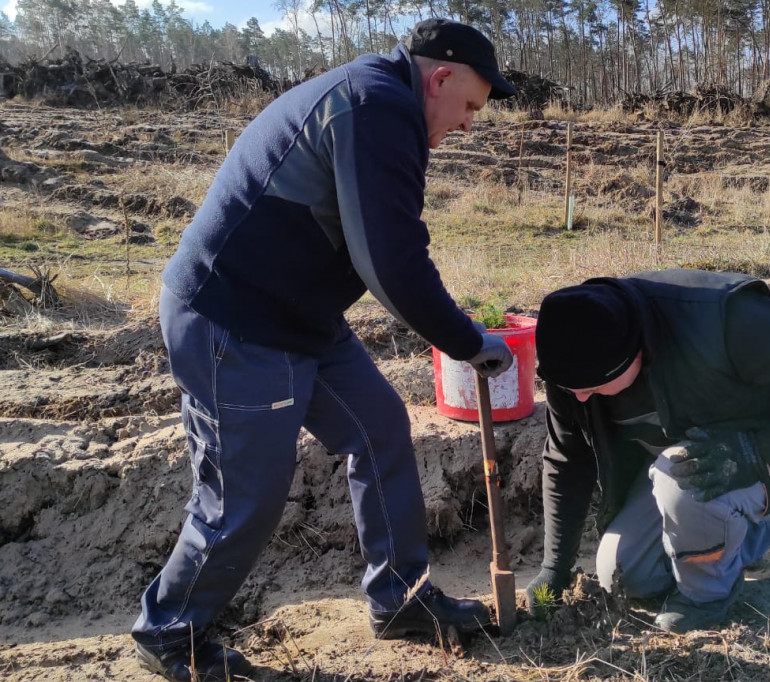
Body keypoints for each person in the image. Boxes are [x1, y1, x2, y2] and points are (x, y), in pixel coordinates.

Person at [132, 18, 517, 682]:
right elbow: (391, 260)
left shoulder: (380, 101)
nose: (469, 125)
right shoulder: (376, 106)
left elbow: (370, 242)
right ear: (441, 78)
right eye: (471, 108)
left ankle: (400, 598)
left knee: (380, 429)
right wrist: (466, 341)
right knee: (244, 495)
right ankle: (172, 634)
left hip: (299, 317)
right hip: (235, 320)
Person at [526, 269, 770, 633]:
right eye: (568, 386)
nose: (579, 397)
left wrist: (758, 454)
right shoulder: (572, 361)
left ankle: (706, 596)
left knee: (679, 478)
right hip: (701, 460)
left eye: (593, 386)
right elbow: (566, 457)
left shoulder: (726, 321)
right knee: (625, 575)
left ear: (635, 352)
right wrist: (554, 568)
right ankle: (760, 528)